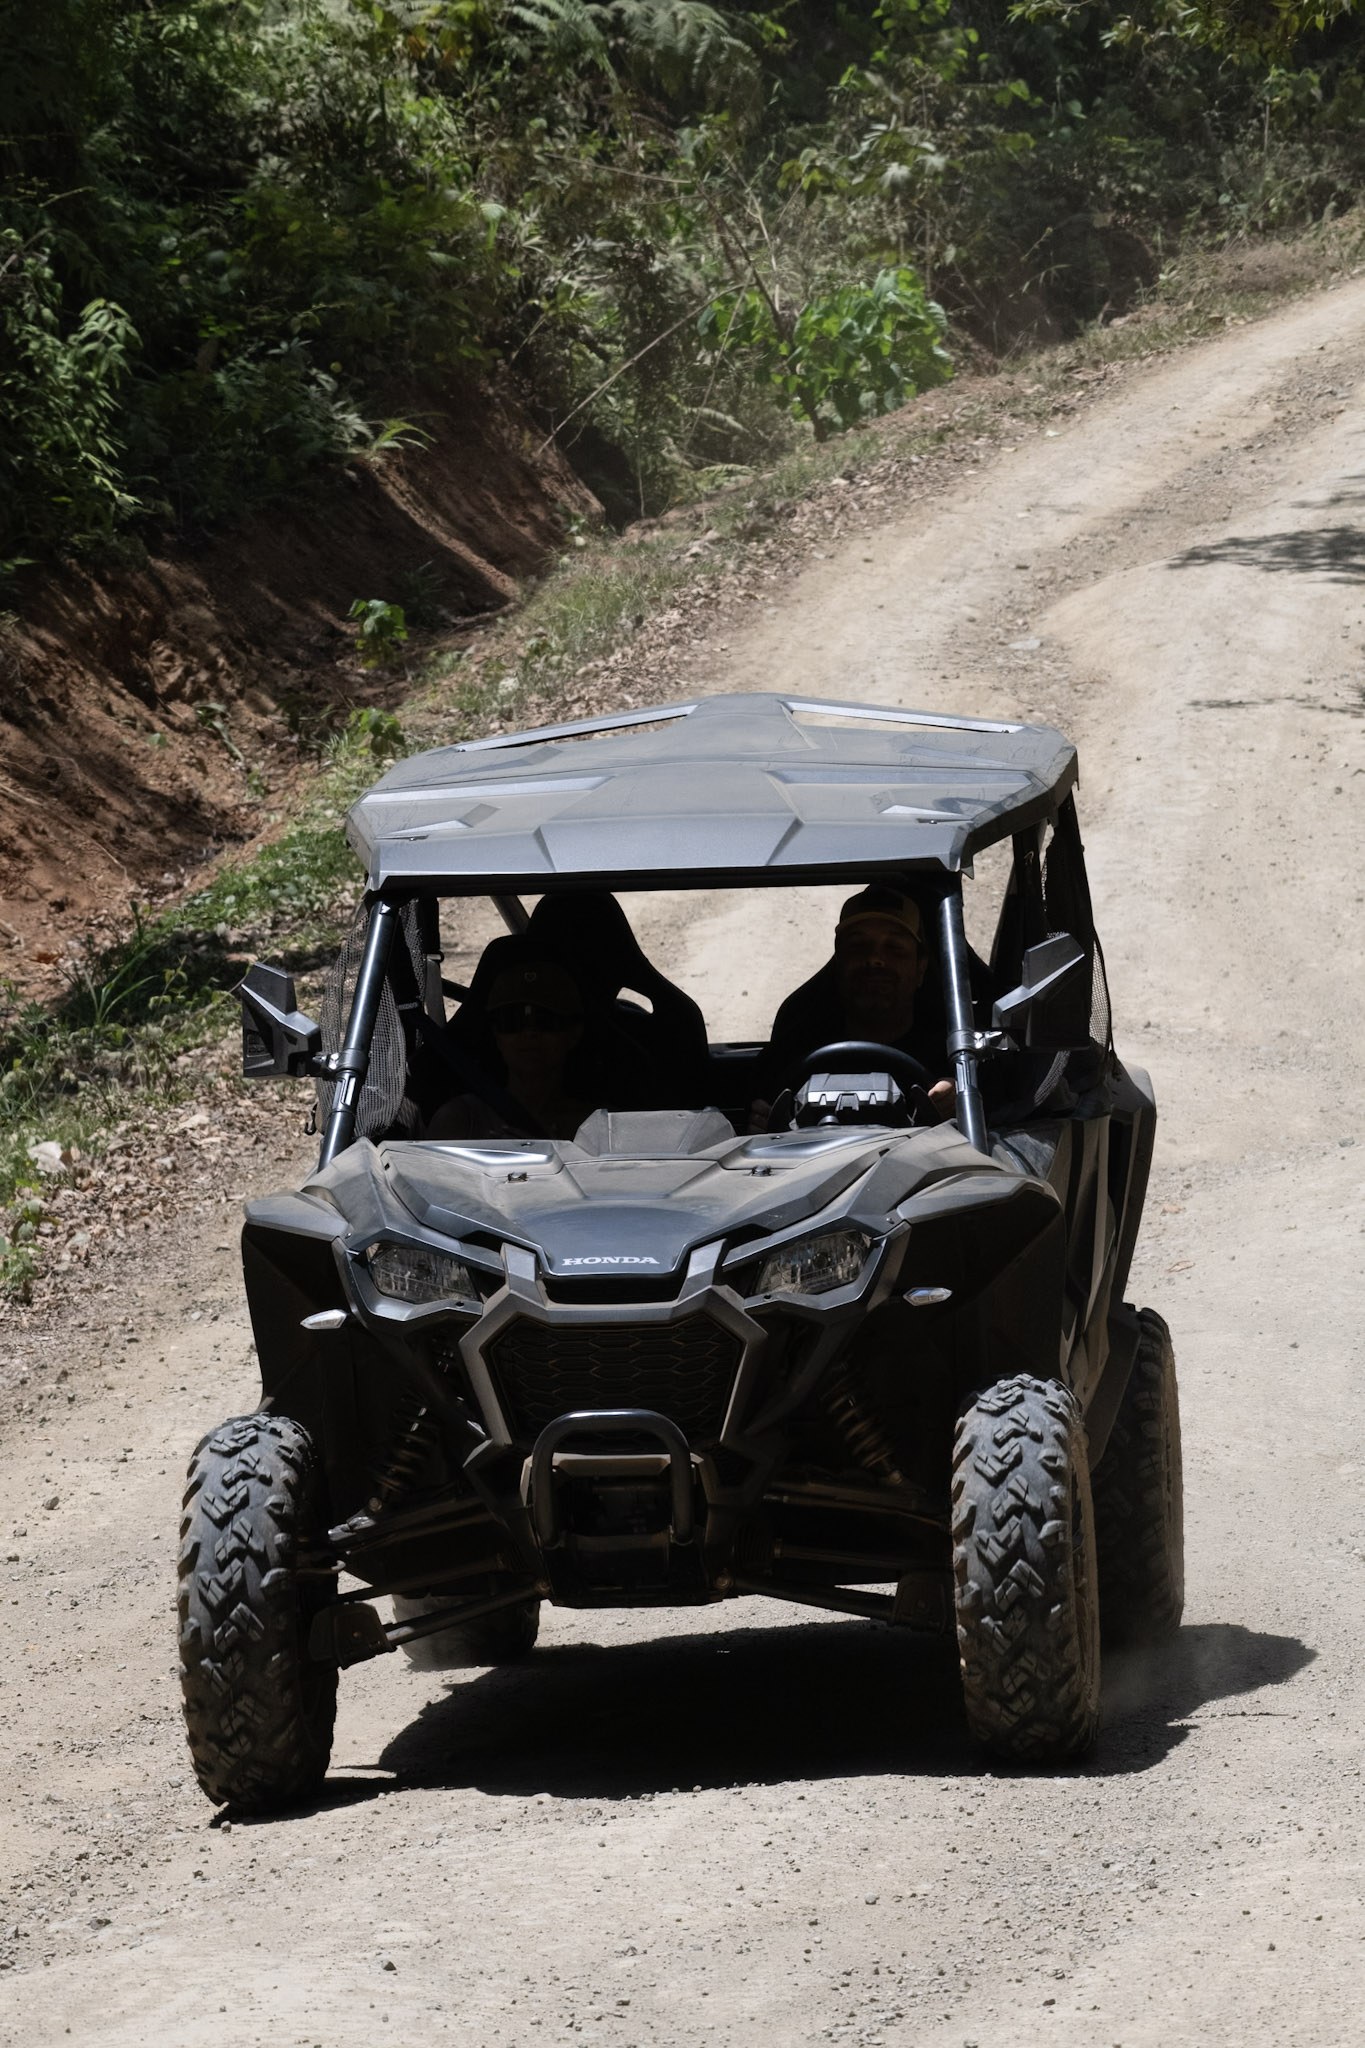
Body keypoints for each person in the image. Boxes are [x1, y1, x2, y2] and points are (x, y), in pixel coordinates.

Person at [752, 884, 956, 1129]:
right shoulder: (792, 1052)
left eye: (894, 948)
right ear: (837, 963)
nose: (875, 959)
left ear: (920, 967)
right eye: (858, 946)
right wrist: (762, 1124)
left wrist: (961, 1104)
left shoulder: (955, 1052)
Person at [425, 956, 592, 1141]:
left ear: (574, 1033)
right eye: (512, 1021)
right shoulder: (461, 1121)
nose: (529, 1033)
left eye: (545, 1021)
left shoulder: (599, 1127)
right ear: (496, 1034)